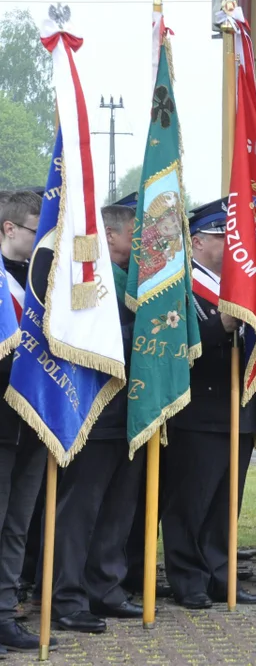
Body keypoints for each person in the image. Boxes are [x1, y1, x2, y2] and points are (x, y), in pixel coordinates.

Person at [161, 198, 256, 608]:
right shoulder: (181, 285)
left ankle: (219, 574)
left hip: (238, 409)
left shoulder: (239, 285)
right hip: (199, 410)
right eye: (224, 236)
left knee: (227, 502)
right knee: (191, 500)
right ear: (198, 241)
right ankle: (187, 578)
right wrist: (220, 325)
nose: (232, 244)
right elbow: (174, 347)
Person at [51, 205, 143, 633]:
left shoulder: (140, 281)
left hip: (135, 408)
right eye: (133, 233)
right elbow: (84, 334)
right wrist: (144, 333)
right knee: (80, 509)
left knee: (120, 507)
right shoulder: (89, 275)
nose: (140, 243)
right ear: (109, 235)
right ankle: (66, 596)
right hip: (93, 409)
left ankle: (105, 587)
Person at [0, 191, 54, 653]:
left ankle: (4, 615)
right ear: (9, 228)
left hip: (35, 420)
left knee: (18, 524)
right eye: (38, 231)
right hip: (0, 420)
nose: (44, 240)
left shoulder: (47, 280)